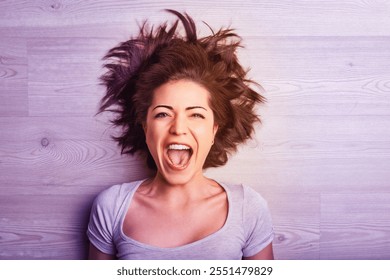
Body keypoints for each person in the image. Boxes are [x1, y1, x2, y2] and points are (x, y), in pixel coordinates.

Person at [87, 10, 274, 260]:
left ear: (213, 130)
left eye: (196, 114)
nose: (178, 128)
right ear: (145, 127)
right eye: (163, 114)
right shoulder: (111, 207)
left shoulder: (248, 208)